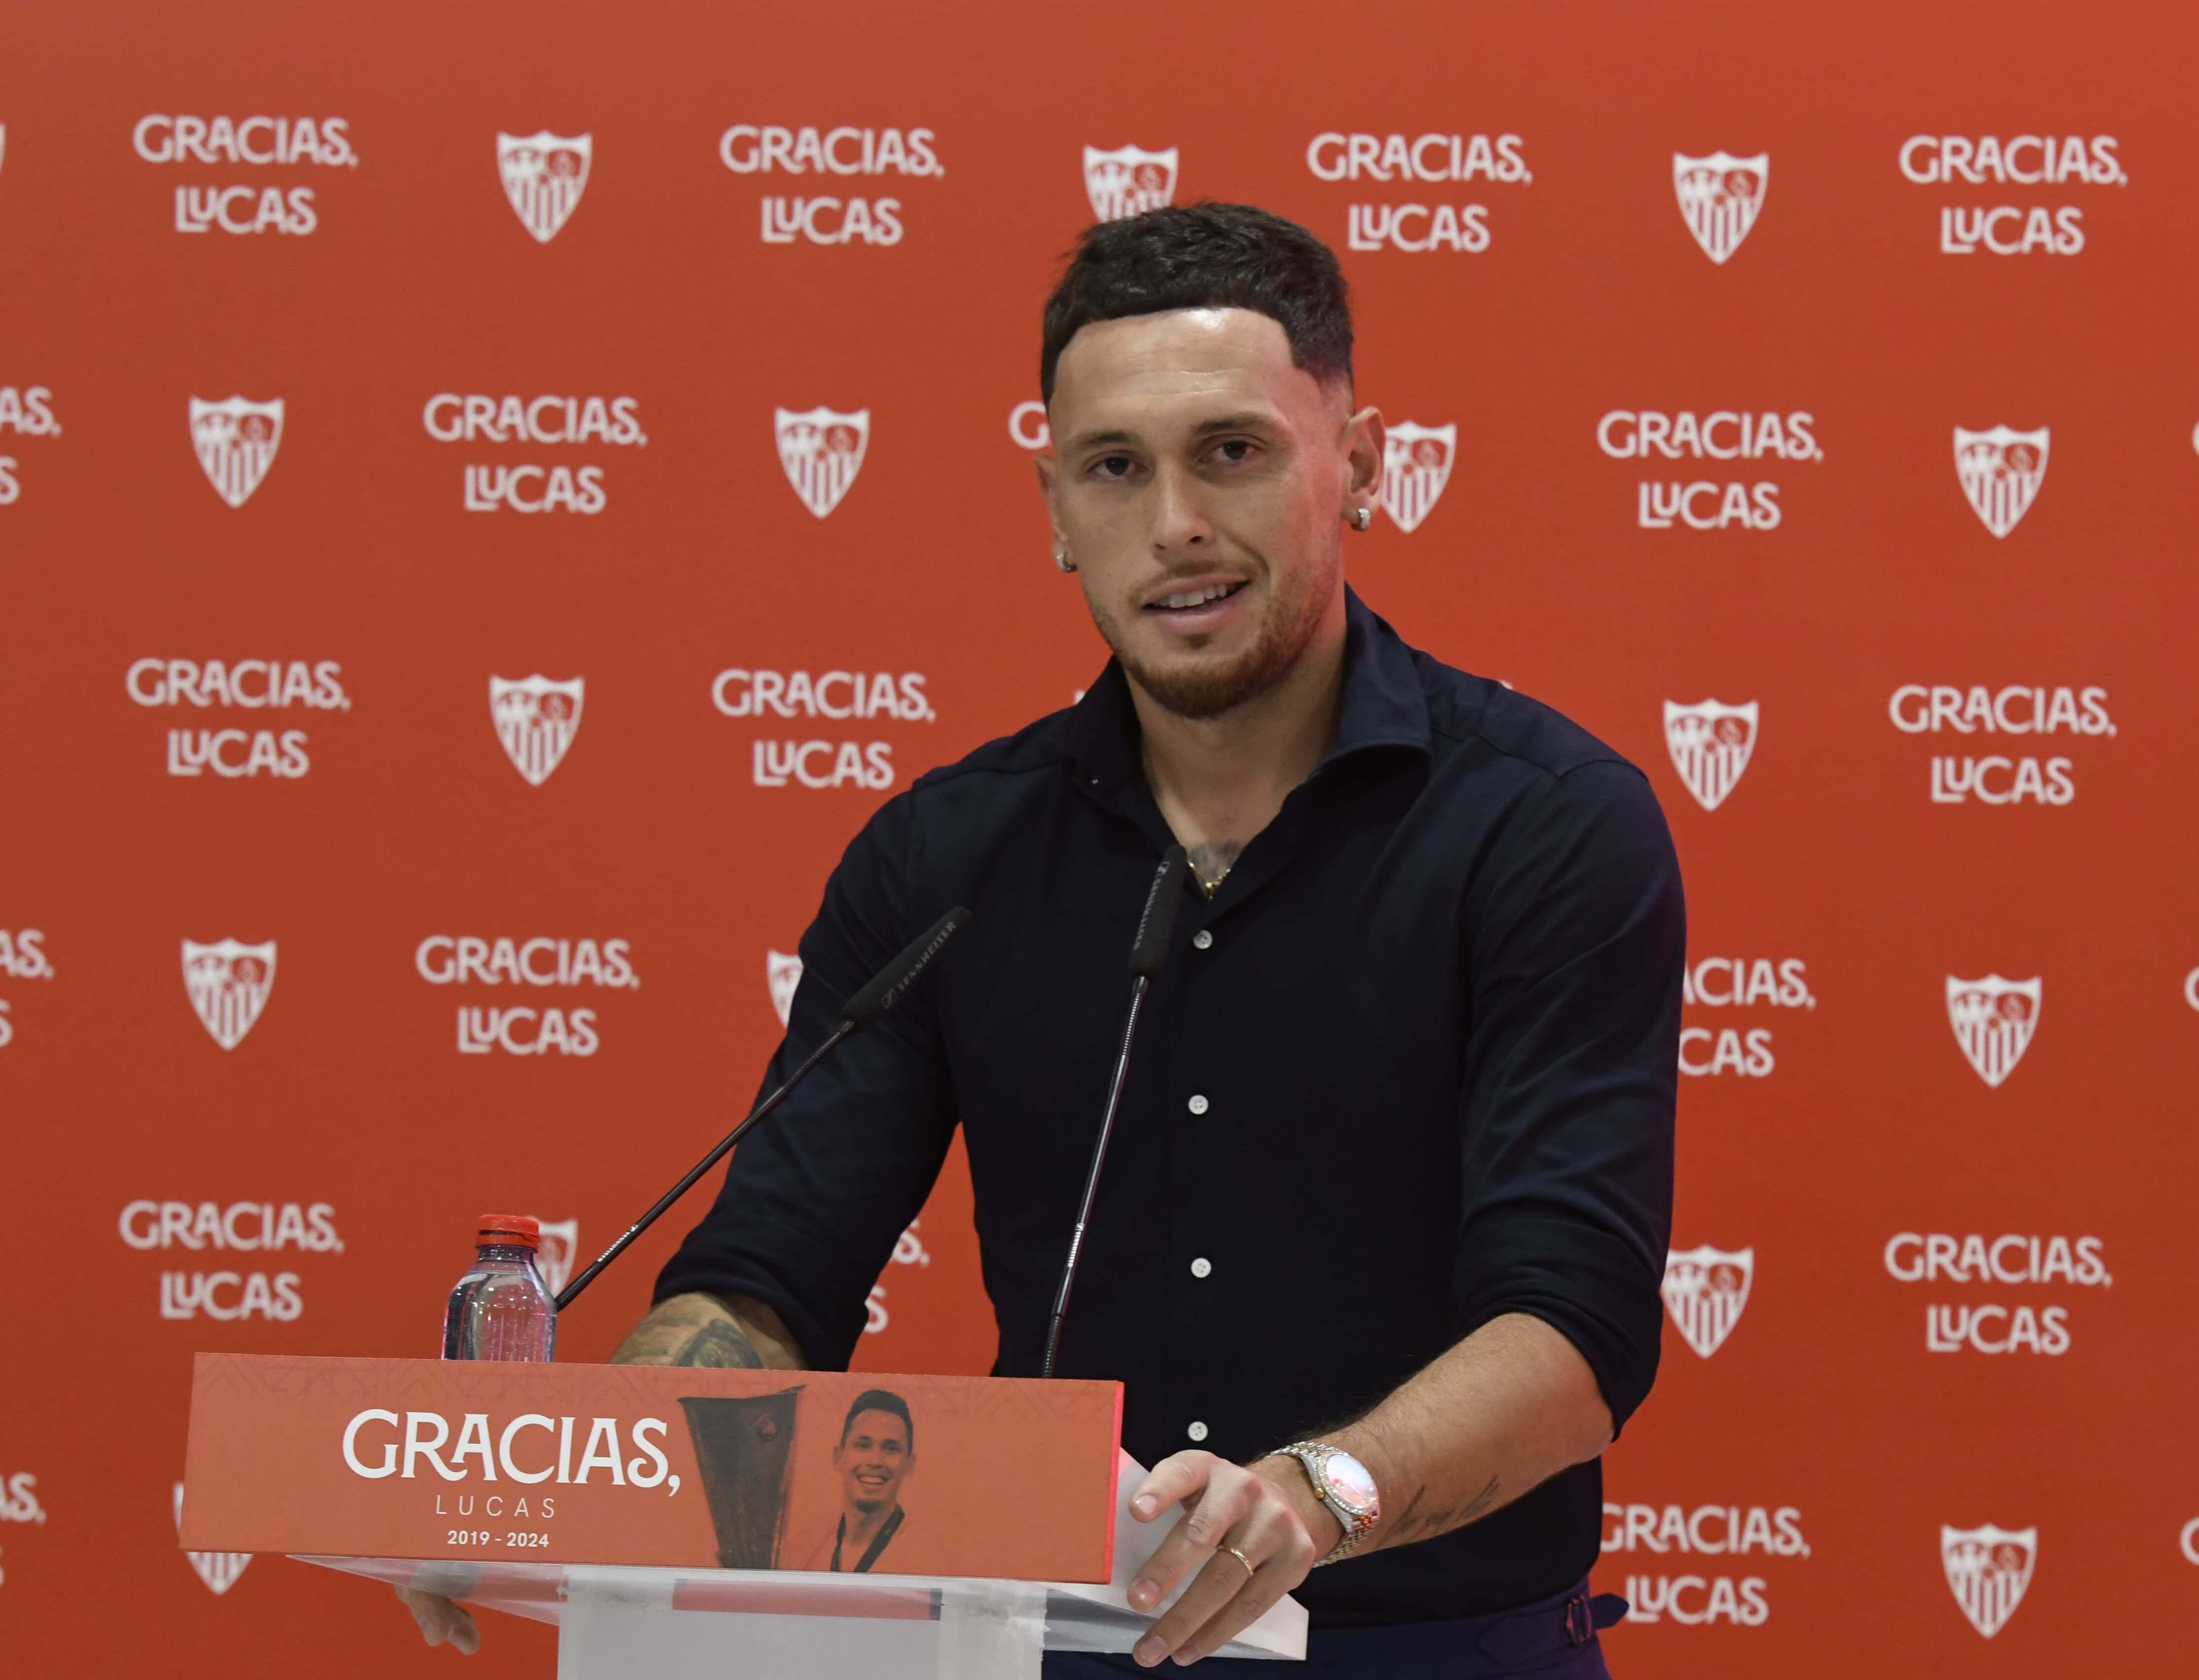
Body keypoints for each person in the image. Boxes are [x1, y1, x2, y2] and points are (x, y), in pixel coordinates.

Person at [399, 201, 1682, 1678]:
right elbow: (771, 1275)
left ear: (1361, 466)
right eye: (1114, 469)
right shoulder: (946, 857)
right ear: (1053, 510)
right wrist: (567, 1490)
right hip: (1056, 1643)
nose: (1175, 525)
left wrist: (1316, 1495)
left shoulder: (1543, 826)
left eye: (1231, 451)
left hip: (1434, 1646)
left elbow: (1570, 1323)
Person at [794, 1388, 915, 1574]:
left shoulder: (931, 1559)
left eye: (891, 1448)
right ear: (838, 1456)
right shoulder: (805, 1554)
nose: (875, 1461)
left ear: (909, 1464)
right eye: (863, 1445)